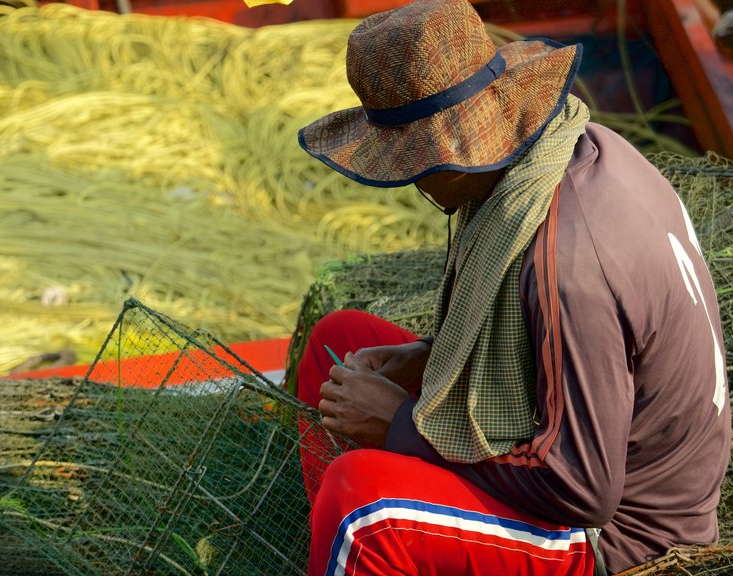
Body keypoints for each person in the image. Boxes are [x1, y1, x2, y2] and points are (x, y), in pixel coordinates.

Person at [292, 0, 731, 574]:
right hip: (575, 448)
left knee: (360, 507)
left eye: (413, 167)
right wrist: (421, 360)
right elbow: (540, 350)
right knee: (339, 337)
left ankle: (358, 546)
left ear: (453, 152)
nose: (410, 184)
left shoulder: (571, 268)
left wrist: (400, 426)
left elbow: (582, 487)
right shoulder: (568, 147)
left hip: (617, 534)